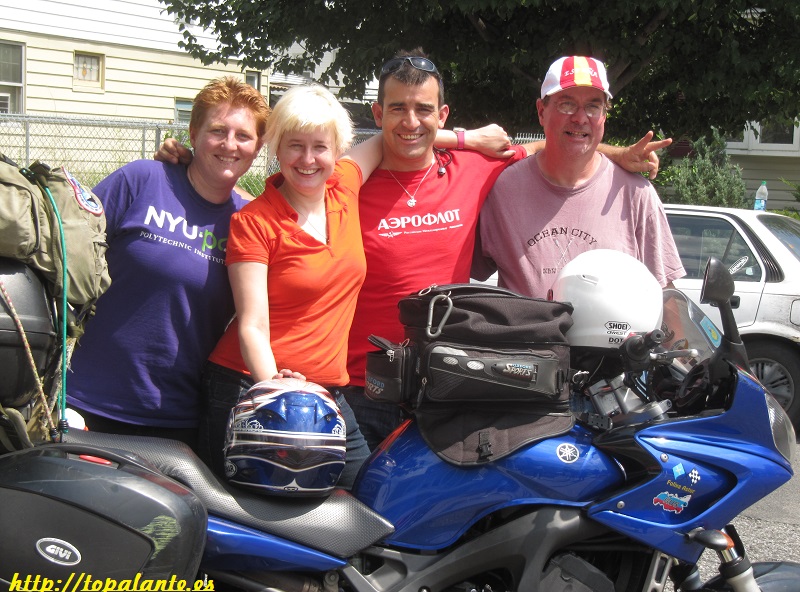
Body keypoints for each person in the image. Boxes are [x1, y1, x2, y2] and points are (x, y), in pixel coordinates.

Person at [156, 50, 669, 451]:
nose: (409, 120)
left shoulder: (474, 168)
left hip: (439, 387)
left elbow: (552, 143)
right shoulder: (344, 181)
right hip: (350, 387)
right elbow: (307, 173)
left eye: (424, 110)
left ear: (441, 113)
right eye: (396, 109)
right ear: (377, 113)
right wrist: (193, 166)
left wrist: (617, 153)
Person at [198, 85, 386, 488]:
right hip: (251, 386)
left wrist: (470, 138)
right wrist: (275, 393)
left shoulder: (345, 189)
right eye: (294, 145)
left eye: (320, 146)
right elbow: (251, 325)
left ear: (338, 149)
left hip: (326, 394)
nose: (307, 159)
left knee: (370, 493)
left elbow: (394, 137)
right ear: (276, 148)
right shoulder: (254, 221)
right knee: (254, 515)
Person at [66, 76, 269, 448]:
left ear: (257, 149)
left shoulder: (251, 223)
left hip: (178, 421)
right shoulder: (142, 180)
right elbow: (69, 253)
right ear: (193, 133)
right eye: (218, 130)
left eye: (244, 136)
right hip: (86, 403)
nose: (229, 144)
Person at [471, 56, 685, 299]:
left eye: (593, 106)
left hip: (614, 338)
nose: (580, 118)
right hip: (526, 337)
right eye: (567, 104)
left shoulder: (636, 194)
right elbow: (460, 268)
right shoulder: (502, 190)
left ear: (604, 115)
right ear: (541, 111)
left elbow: (665, 292)